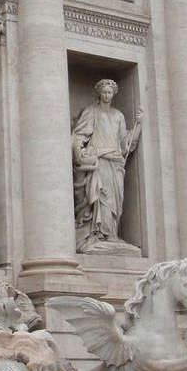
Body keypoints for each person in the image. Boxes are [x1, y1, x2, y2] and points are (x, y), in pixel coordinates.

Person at [72, 78, 142, 250]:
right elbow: (80, 134)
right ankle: (99, 234)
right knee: (102, 197)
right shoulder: (91, 111)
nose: (107, 95)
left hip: (116, 161)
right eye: (104, 92)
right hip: (100, 158)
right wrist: (78, 152)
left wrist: (139, 125)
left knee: (115, 200)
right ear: (99, 92)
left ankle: (112, 233)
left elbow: (125, 142)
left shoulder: (118, 115)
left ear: (114, 93)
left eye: (110, 92)